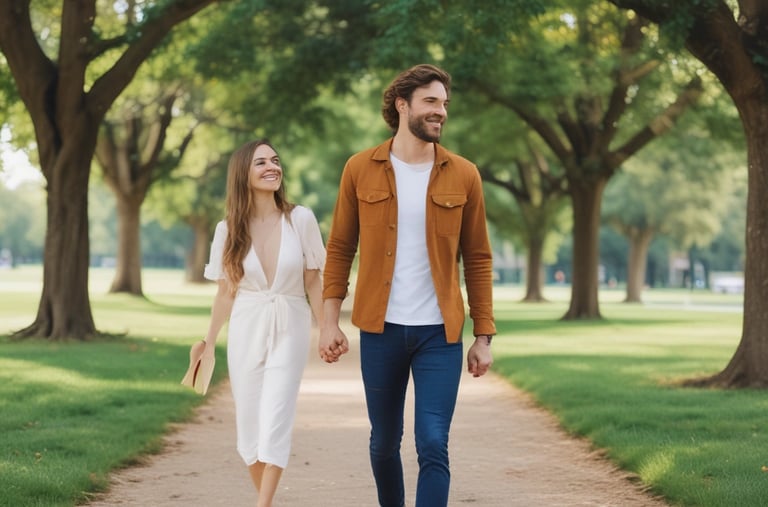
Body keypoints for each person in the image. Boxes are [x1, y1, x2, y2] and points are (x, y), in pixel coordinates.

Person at [319, 64, 495, 507]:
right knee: (383, 443)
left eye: (444, 104)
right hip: (382, 330)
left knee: (433, 442)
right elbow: (340, 247)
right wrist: (328, 323)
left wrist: (484, 336)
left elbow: (477, 257)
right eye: (431, 102)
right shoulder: (360, 169)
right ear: (403, 105)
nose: (441, 112)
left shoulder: (464, 174)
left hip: (440, 333)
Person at [196, 139, 325, 507]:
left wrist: (327, 327)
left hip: (290, 321)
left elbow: (313, 280)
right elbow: (225, 293)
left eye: (275, 160)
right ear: (243, 174)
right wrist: (207, 341)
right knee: (249, 427)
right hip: (246, 327)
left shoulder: (300, 219)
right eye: (261, 162)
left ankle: (262, 505)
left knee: (276, 417)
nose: (272, 167)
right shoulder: (227, 230)